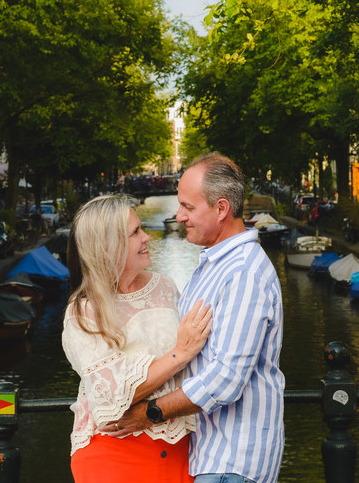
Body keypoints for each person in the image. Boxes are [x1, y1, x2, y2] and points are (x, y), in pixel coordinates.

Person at [106, 153, 285, 483]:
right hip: (211, 456)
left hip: (232, 462)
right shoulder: (215, 265)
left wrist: (150, 412)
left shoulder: (243, 272)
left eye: (188, 207)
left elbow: (226, 379)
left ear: (221, 209)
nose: (178, 215)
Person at [63, 194, 213, 483]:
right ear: (109, 246)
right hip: (113, 455)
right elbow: (113, 397)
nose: (147, 237)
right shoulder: (84, 311)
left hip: (181, 448)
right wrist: (180, 354)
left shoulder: (165, 286)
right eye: (135, 232)